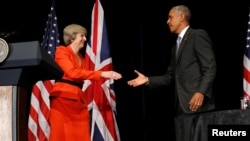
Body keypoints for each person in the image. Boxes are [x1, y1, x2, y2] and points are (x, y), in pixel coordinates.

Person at [127, 5, 216, 141]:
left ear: (182, 17)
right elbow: (170, 77)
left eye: (170, 17)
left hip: (197, 105)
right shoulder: (176, 47)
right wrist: (148, 80)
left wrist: (201, 92)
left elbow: (210, 67)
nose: (167, 22)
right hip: (180, 108)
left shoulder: (197, 35)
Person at [49, 24, 122, 141]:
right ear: (72, 37)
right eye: (82, 36)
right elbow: (72, 73)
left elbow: (83, 74)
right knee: (61, 135)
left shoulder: (81, 58)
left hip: (78, 101)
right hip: (63, 100)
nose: (85, 39)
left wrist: (103, 74)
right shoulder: (62, 51)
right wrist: (102, 74)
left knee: (82, 136)